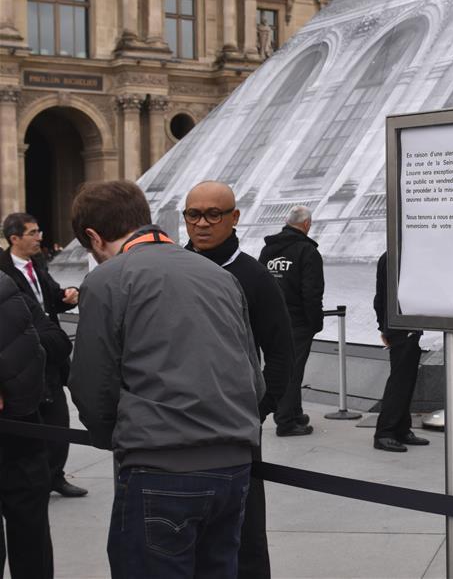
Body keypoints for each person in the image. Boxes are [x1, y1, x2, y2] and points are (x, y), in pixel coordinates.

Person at [67, 181, 265, 579]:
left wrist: (114, 437)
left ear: (93, 237)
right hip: (234, 465)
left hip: (160, 467)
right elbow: (253, 377)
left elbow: (91, 387)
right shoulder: (219, 276)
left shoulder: (108, 280)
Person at [183, 180, 293, 579]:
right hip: (178, 425)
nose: (202, 224)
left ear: (234, 218)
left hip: (236, 427)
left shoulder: (254, 276)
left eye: (214, 214)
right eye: (193, 214)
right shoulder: (172, 268)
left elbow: (281, 351)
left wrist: (259, 409)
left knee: (244, 537)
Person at [0, 213, 86, 498]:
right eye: (33, 232)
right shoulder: (4, 271)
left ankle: (55, 476)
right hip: (23, 357)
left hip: (50, 352)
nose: (40, 237)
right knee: (33, 419)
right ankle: (36, 478)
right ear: (15, 238)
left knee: (59, 417)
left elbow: (50, 297)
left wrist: (65, 297)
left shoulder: (36, 264)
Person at [0, 271, 71, 579]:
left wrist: (27, 346)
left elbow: (55, 339)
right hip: (23, 430)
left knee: (31, 540)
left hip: (22, 437)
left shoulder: (6, 287)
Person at [259, 205, 323, 438]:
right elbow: (312, 292)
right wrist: (315, 323)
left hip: (271, 320)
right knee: (293, 371)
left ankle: (294, 412)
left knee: (282, 367)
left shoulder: (268, 251)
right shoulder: (308, 252)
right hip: (297, 322)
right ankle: (285, 421)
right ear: (306, 225)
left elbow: (261, 285)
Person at [371, 251, 429, 452]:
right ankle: (385, 432)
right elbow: (384, 296)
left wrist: (383, 326)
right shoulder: (398, 257)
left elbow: (380, 297)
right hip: (402, 327)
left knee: (405, 379)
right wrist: (385, 327)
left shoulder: (392, 255)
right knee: (399, 381)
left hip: (403, 326)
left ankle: (402, 429)